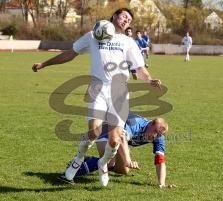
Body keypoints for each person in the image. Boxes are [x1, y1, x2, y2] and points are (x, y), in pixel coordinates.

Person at [32, 8, 162, 187]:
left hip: (119, 91)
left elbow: (139, 68)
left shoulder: (128, 42)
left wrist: (149, 79)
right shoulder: (94, 35)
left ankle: (102, 163)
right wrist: (44, 64)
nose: (127, 20)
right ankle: (78, 159)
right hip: (98, 88)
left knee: (115, 139)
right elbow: (70, 53)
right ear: (115, 16)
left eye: (130, 20)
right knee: (94, 131)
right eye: (124, 16)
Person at [59, 113, 176, 189]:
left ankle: (90, 161)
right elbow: (121, 138)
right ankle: (69, 174)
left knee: (123, 170)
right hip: (106, 130)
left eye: (159, 134)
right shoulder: (135, 124)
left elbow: (160, 160)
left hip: (118, 139)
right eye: (155, 131)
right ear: (150, 124)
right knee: (109, 162)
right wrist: (128, 160)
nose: (155, 136)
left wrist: (162, 183)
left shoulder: (158, 137)